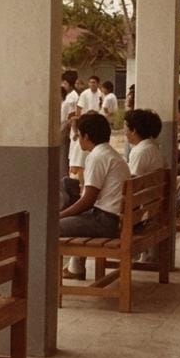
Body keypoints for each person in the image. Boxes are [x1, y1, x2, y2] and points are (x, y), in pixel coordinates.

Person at [59, 112, 127, 279]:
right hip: (116, 217)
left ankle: (45, 278)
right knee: (74, 215)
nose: (78, 139)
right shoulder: (111, 154)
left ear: (86, 136)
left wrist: (59, 216)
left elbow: (88, 201)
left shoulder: (96, 157)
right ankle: (76, 269)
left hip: (106, 222)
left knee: (50, 228)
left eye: (79, 135)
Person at [60, 72, 80, 176]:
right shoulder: (68, 97)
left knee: (64, 157)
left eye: (64, 83)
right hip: (65, 128)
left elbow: (71, 117)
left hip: (66, 129)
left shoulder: (71, 98)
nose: (62, 85)